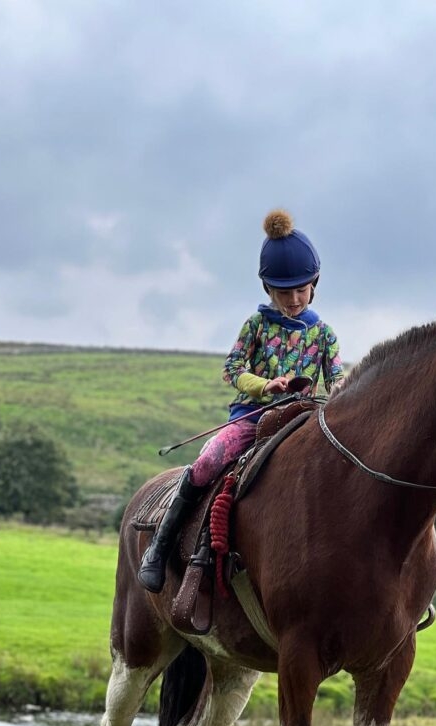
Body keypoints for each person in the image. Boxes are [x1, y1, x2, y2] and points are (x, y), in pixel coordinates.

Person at [138, 209, 344, 593]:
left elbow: (336, 380)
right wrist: (265, 386)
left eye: (302, 290)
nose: (295, 299)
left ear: (314, 284)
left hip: (304, 421)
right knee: (206, 464)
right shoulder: (256, 325)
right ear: (268, 289)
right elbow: (231, 369)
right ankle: (159, 548)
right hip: (252, 417)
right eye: (285, 292)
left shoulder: (325, 334)